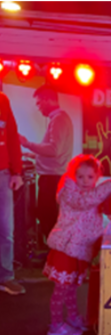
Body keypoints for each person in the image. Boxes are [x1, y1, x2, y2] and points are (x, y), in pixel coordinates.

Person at [43, 154, 111, 335]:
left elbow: (95, 208)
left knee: (71, 288)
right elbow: (85, 201)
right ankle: (55, 325)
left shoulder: (92, 195)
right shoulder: (70, 193)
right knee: (61, 289)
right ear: (73, 176)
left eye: (90, 177)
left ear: (97, 176)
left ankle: (73, 317)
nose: (85, 181)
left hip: (78, 249)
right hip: (66, 248)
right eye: (80, 176)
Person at [18, 86, 73, 249]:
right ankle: (53, 254)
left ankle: (53, 255)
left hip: (51, 178)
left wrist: (28, 144)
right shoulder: (59, 119)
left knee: (47, 216)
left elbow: (54, 150)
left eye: (39, 102)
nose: (38, 106)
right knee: (46, 215)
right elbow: (56, 152)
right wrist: (31, 155)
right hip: (52, 176)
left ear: (48, 99)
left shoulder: (58, 119)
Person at [0, 91, 26, 295]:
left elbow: (12, 138)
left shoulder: (3, 100)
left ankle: (6, 277)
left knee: (6, 230)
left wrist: (17, 172)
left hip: (3, 174)